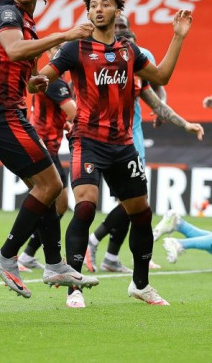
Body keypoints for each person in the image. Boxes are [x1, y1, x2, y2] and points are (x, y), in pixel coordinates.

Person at [36, 0, 193, 308]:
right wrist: (37, 80)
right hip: (87, 141)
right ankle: (74, 288)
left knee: (142, 213)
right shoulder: (75, 49)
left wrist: (178, 36)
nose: (98, 9)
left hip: (122, 145)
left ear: (116, 11)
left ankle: (140, 285)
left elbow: (161, 77)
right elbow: (44, 77)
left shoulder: (129, 52)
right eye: (93, 5)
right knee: (86, 205)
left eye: (105, 4)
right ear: (88, 12)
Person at [0, 0, 97, 298]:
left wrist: (36, 82)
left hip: (5, 110)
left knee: (45, 190)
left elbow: (20, 72)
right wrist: (65, 35)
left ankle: (54, 264)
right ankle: (7, 256)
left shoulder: (25, 18)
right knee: (50, 185)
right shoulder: (8, 11)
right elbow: (13, 51)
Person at [85, 26, 204, 274]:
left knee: (132, 202)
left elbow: (157, 86)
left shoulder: (138, 57)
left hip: (132, 138)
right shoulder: (98, 60)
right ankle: (95, 241)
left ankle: (111, 256)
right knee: (134, 203)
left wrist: (181, 122)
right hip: (107, 140)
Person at [17, 44, 76, 270]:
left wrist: (68, 123)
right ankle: (18, 253)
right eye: (55, 49)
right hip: (43, 148)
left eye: (63, 49)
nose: (59, 52)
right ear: (48, 54)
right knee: (51, 203)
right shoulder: (55, 82)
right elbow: (75, 112)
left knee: (57, 204)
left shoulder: (49, 81)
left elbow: (61, 114)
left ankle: (28, 254)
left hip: (46, 146)